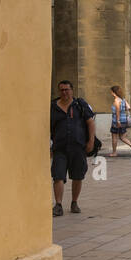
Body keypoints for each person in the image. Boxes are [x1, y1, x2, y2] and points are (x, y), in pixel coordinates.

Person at [50, 80, 95, 216]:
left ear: (72, 90)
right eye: (62, 90)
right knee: (58, 176)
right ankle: (58, 204)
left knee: (77, 176)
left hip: (78, 147)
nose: (64, 92)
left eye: (67, 90)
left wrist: (91, 141)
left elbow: (90, 123)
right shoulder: (53, 107)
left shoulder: (79, 105)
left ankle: (74, 202)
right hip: (60, 148)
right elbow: (47, 127)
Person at [108, 85, 130, 157]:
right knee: (122, 137)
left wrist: (118, 120)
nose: (111, 93)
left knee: (114, 137)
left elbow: (117, 111)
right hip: (124, 120)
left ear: (114, 92)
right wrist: (123, 109)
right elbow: (128, 107)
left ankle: (114, 152)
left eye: (111, 92)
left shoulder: (116, 100)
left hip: (116, 121)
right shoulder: (123, 99)